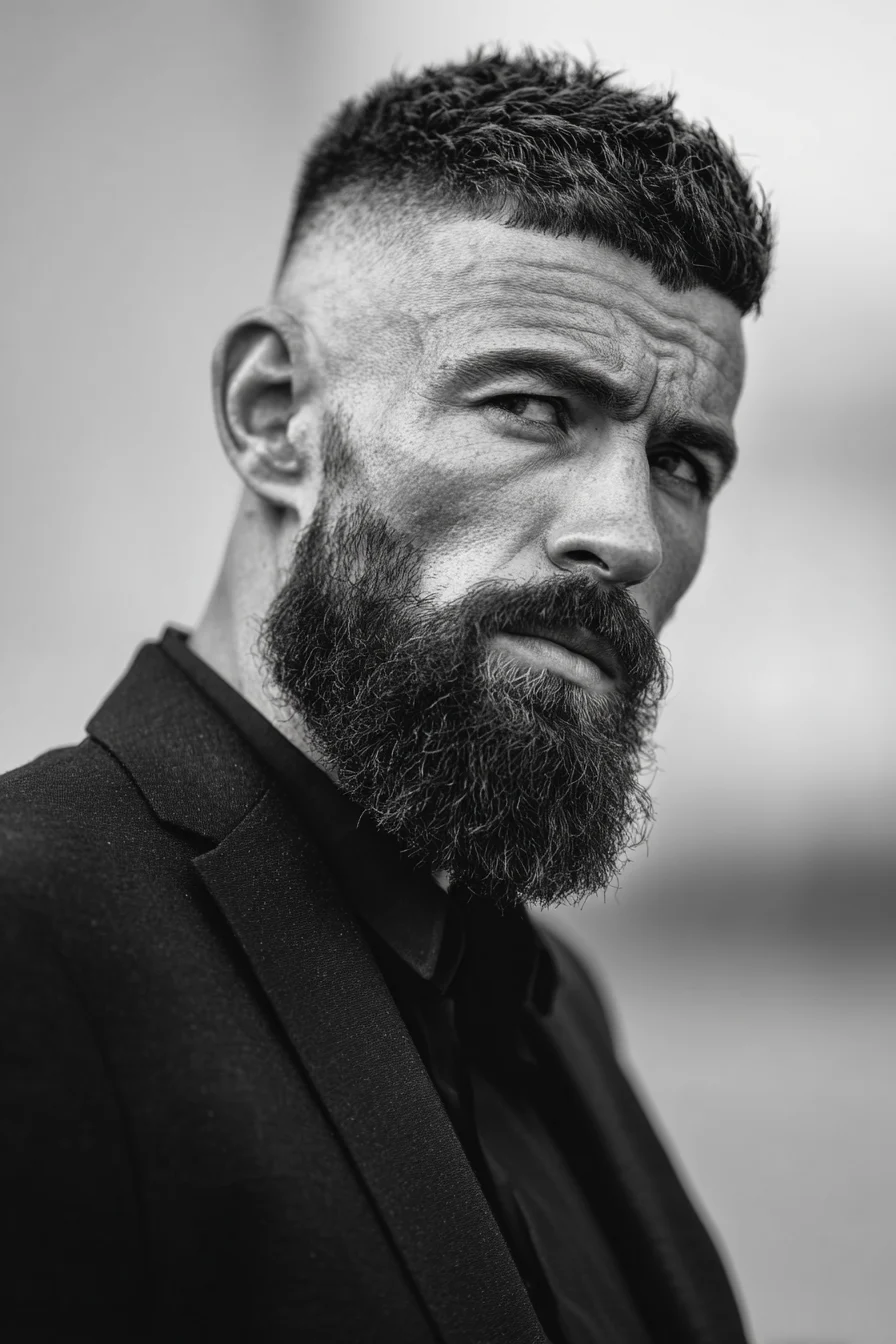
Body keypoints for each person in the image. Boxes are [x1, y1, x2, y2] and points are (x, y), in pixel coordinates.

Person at [0, 49, 772, 1344]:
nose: (627, 535)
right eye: (532, 406)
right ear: (274, 417)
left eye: (684, 462)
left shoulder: (552, 1004)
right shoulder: (30, 942)